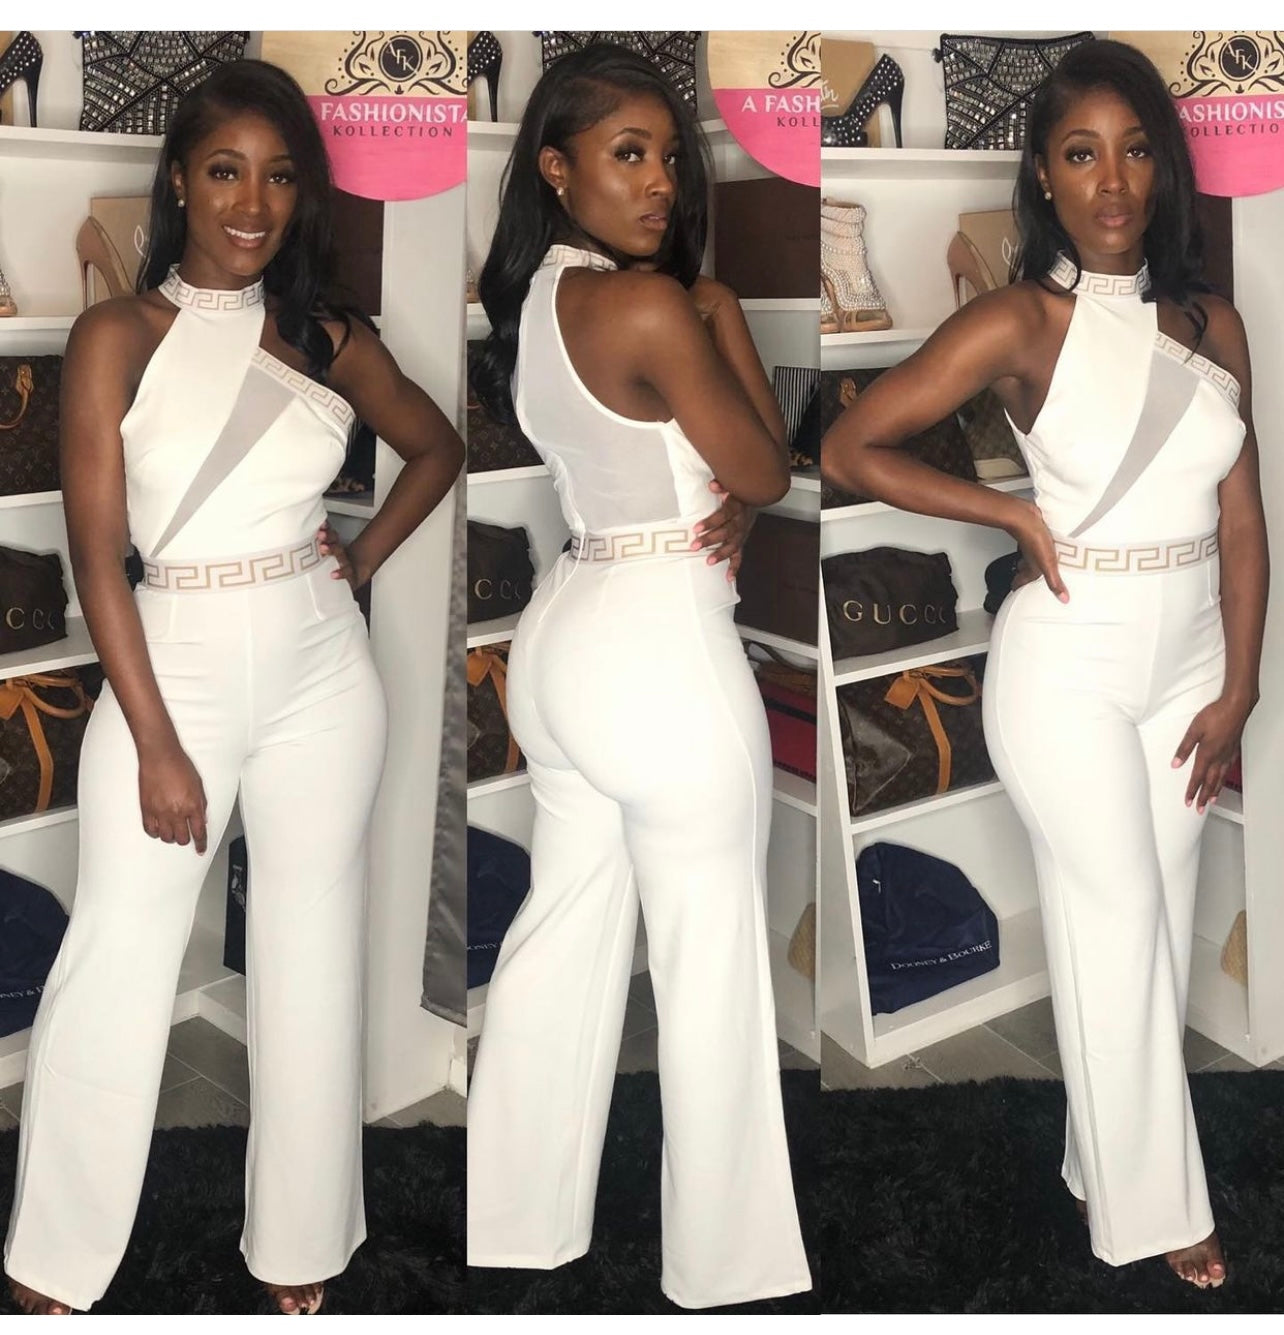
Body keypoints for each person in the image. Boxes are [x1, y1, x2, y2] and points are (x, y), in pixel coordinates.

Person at [4, 60, 463, 1314]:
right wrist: (155, 741)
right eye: (225, 171)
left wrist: (360, 558)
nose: (252, 203)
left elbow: (435, 447)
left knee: (313, 954)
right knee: (118, 956)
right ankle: (55, 1257)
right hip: (174, 664)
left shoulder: (326, 336)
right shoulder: (117, 336)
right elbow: (94, 550)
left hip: (323, 669)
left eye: (278, 176)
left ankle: (301, 1245)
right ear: (179, 183)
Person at [821, 38, 1266, 1289]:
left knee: (1149, 925)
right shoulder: (1021, 319)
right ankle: (1160, 1213)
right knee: (1119, 923)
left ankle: (1096, 1159)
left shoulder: (1212, 323)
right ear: (1045, 176)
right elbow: (852, 450)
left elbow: (1242, 518)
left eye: (1135, 152)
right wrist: (1009, 514)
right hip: (1067, 662)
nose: (1112, 182)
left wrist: (1240, 685)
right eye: (1082, 154)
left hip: (1191, 663)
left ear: (1163, 169)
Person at [465, 44, 812, 1309]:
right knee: (710, 973)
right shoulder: (656, 308)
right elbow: (762, 470)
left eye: (669, 156)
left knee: (560, 939)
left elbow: (678, 460)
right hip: (663, 650)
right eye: (629, 155)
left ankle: (515, 1230)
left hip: (567, 637)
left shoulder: (535, 306)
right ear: (556, 170)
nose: (662, 181)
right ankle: (724, 1273)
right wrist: (720, 313)